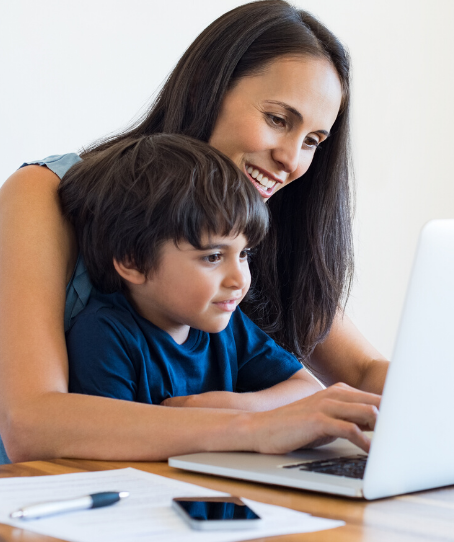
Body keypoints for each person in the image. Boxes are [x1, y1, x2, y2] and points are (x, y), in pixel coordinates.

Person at [0, 0, 389, 469]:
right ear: (206, 90)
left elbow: (360, 373)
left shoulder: (249, 229)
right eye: (278, 119)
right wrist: (255, 426)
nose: (293, 160)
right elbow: (32, 423)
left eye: (313, 142)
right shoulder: (45, 194)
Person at [60, 134, 323, 409]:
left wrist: (235, 409)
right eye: (213, 256)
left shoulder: (227, 324)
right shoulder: (103, 336)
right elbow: (109, 437)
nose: (239, 280)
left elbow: (306, 389)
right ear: (133, 262)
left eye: (244, 253)